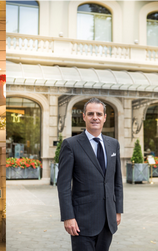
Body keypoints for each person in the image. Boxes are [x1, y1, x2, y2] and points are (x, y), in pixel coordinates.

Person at [57, 98, 123, 251]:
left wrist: (118, 210)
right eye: (91, 113)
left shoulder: (113, 144)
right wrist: (68, 216)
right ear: (84, 116)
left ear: (105, 117)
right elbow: (63, 184)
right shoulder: (71, 145)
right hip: (81, 222)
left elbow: (117, 181)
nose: (95, 117)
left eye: (99, 114)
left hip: (108, 220)